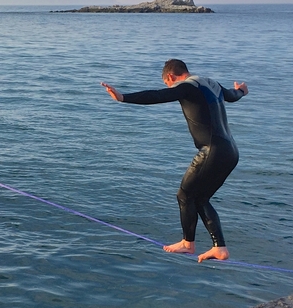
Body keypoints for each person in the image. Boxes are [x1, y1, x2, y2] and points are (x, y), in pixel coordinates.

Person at [102, 59, 248, 262]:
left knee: (184, 196)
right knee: (200, 198)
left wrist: (123, 97)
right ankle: (219, 248)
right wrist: (241, 90)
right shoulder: (210, 83)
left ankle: (188, 244)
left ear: (170, 77)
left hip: (212, 150)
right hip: (230, 151)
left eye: (168, 83)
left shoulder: (186, 86)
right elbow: (233, 96)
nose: (170, 87)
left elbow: (158, 95)